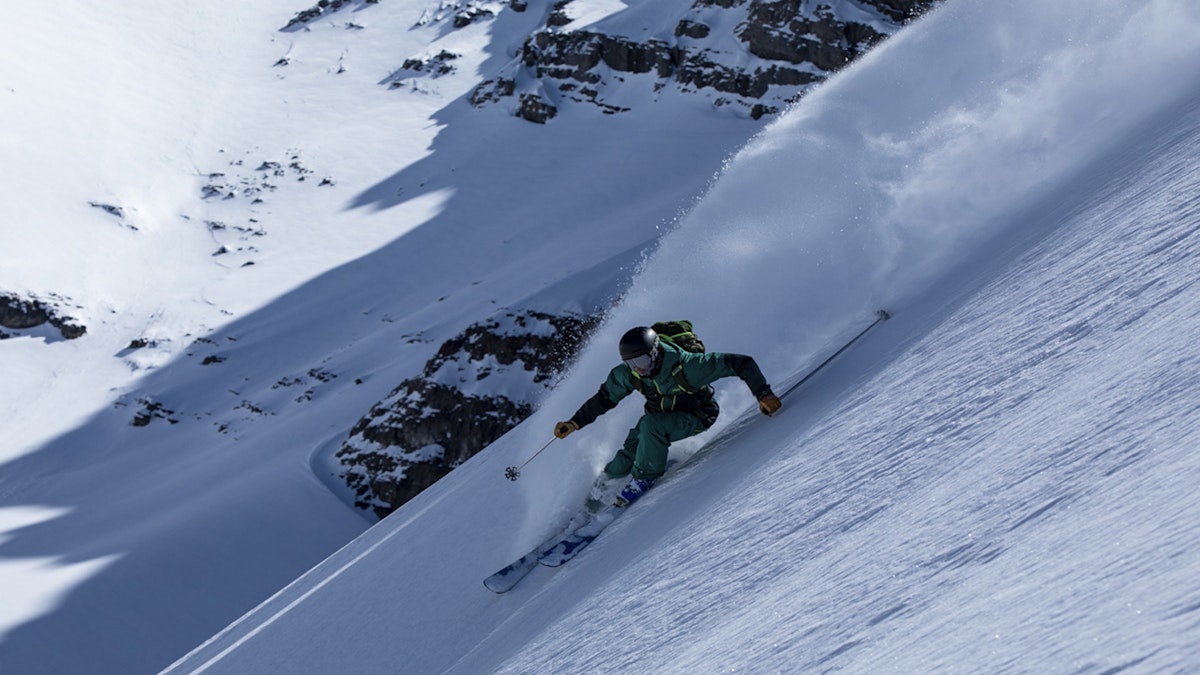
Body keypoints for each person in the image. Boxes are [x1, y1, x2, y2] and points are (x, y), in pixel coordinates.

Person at [554, 325, 782, 511]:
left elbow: (741, 363)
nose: (639, 369)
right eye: (631, 365)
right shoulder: (631, 374)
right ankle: (595, 501)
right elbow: (605, 397)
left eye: (642, 362)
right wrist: (575, 422)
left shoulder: (689, 367)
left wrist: (764, 394)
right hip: (659, 417)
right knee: (628, 452)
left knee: (650, 426)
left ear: (655, 352)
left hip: (698, 415)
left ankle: (643, 477)